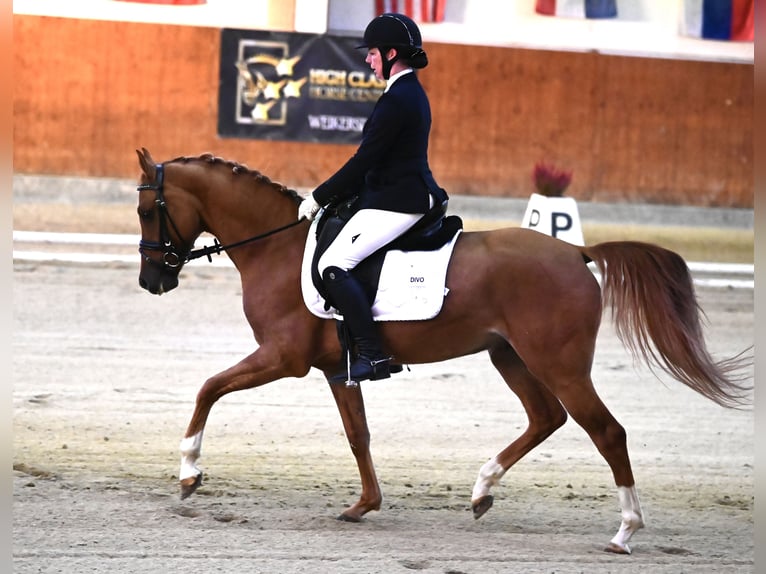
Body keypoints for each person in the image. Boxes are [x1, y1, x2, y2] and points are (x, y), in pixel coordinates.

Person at [298, 12, 448, 384]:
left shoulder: (400, 97)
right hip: (393, 193)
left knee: (333, 265)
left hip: (400, 200)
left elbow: (365, 160)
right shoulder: (403, 92)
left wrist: (319, 196)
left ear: (391, 52)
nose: (368, 59)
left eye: (373, 53)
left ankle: (373, 355)